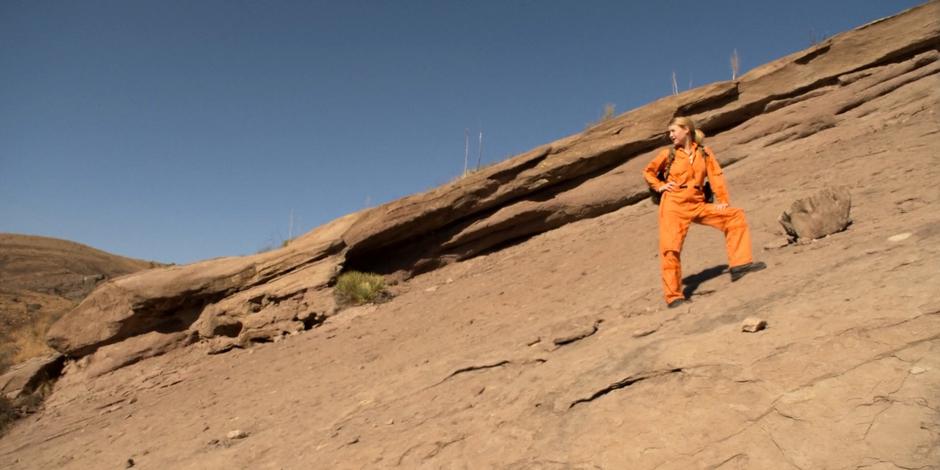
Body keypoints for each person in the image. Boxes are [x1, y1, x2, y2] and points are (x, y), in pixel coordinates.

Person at [643, 117, 766, 308]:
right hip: (673, 204)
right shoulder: (667, 154)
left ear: (686, 130)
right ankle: (674, 296)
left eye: (673, 131)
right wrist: (660, 186)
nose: (671, 135)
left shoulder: (704, 153)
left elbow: (715, 176)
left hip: (698, 202)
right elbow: (648, 172)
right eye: (669, 132)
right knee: (670, 249)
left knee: (734, 216)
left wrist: (723, 201)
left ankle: (740, 265)